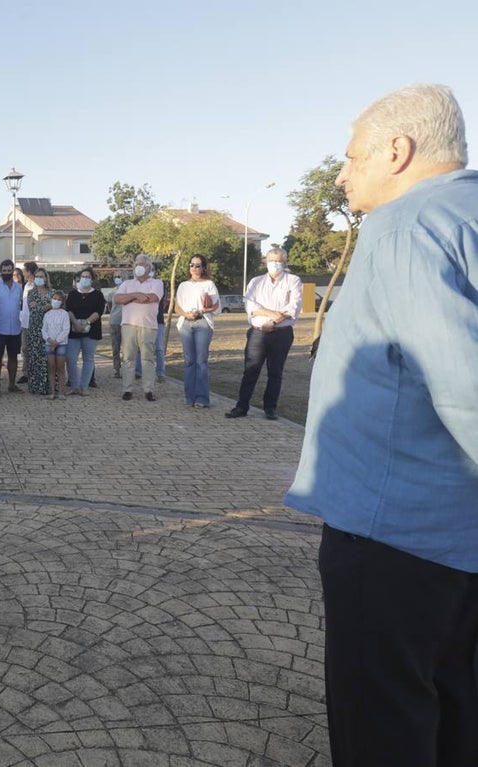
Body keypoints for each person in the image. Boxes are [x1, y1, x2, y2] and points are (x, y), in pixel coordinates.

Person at [285, 84, 478, 767]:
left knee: (385, 730)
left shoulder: (406, 225)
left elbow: (465, 389)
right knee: (456, 715)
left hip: (396, 535)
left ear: (398, 151)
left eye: (352, 155)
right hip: (460, 537)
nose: (342, 173)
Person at [224, 245, 302, 420]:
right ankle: (241, 406)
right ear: (266, 262)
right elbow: (250, 306)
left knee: (275, 372)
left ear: (285, 262)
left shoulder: (293, 281)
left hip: (281, 333)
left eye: (278, 261)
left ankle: (270, 408)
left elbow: (293, 307)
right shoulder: (256, 282)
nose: (274, 264)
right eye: (271, 260)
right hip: (258, 333)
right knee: (251, 370)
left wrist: (273, 321)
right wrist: (270, 314)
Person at [116, 255, 164, 402]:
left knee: (147, 359)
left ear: (149, 267)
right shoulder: (126, 283)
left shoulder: (157, 283)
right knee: (128, 358)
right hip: (128, 325)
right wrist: (136, 294)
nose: (139, 266)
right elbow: (118, 299)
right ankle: (127, 389)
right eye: (137, 263)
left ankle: (148, 390)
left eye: (142, 264)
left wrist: (129, 298)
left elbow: (152, 298)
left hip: (148, 326)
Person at [175, 255, 221, 408]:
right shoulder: (183, 285)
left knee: (201, 361)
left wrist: (201, 310)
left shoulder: (209, 284)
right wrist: (186, 314)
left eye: (198, 265)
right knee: (189, 361)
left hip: (202, 323)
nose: (194, 268)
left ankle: (202, 398)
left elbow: (216, 307)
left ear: (203, 268)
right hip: (186, 323)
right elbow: (177, 307)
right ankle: (189, 397)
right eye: (192, 265)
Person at [64, 267, 105, 397]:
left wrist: (86, 322)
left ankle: (84, 386)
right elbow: (69, 309)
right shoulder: (73, 294)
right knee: (70, 358)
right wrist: (76, 323)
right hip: (74, 331)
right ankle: (74, 386)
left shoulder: (98, 295)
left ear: (92, 280)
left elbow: (98, 311)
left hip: (91, 331)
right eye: (83, 276)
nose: (85, 279)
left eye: (88, 277)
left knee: (88, 359)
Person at [0, 259, 24, 394]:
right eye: (4, 271)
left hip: (15, 327)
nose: (7, 273)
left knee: (13, 357)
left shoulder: (19, 287)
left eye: (9, 270)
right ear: (0, 271)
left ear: (13, 271)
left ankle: (11, 384)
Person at [24, 269, 52, 395]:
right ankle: (35, 386)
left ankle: (48, 386)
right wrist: (46, 306)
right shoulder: (31, 293)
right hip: (34, 329)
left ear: (46, 278)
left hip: (49, 329)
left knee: (47, 358)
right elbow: (34, 307)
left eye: (41, 276)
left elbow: (56, 305)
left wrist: (47, 306)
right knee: (34, 358)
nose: (39, 278)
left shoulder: (53, 293)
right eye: (37, 276)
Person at [41, 290, 70, 400]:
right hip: (49, 344)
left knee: (61, 368)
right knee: (51, 367)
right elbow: (44, 329)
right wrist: (50, 340)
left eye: (59, 299)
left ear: (62, 302)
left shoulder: (64, 314)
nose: (56, 301)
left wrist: (57, 341)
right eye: (54, 298)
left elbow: (66, 330)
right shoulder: (47, 314)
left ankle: (61, 392)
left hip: (61, 344)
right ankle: (52, 391)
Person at [107, 274, 125, 378]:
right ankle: (116, 369)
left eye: (120, 276)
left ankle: (129, 369)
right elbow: (109, 306)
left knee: (128, 347)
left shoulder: (129, 290)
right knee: (116, 346)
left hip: (127, 321)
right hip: (115, 321)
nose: (118, 278)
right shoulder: (112, 292)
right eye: (116, 276)